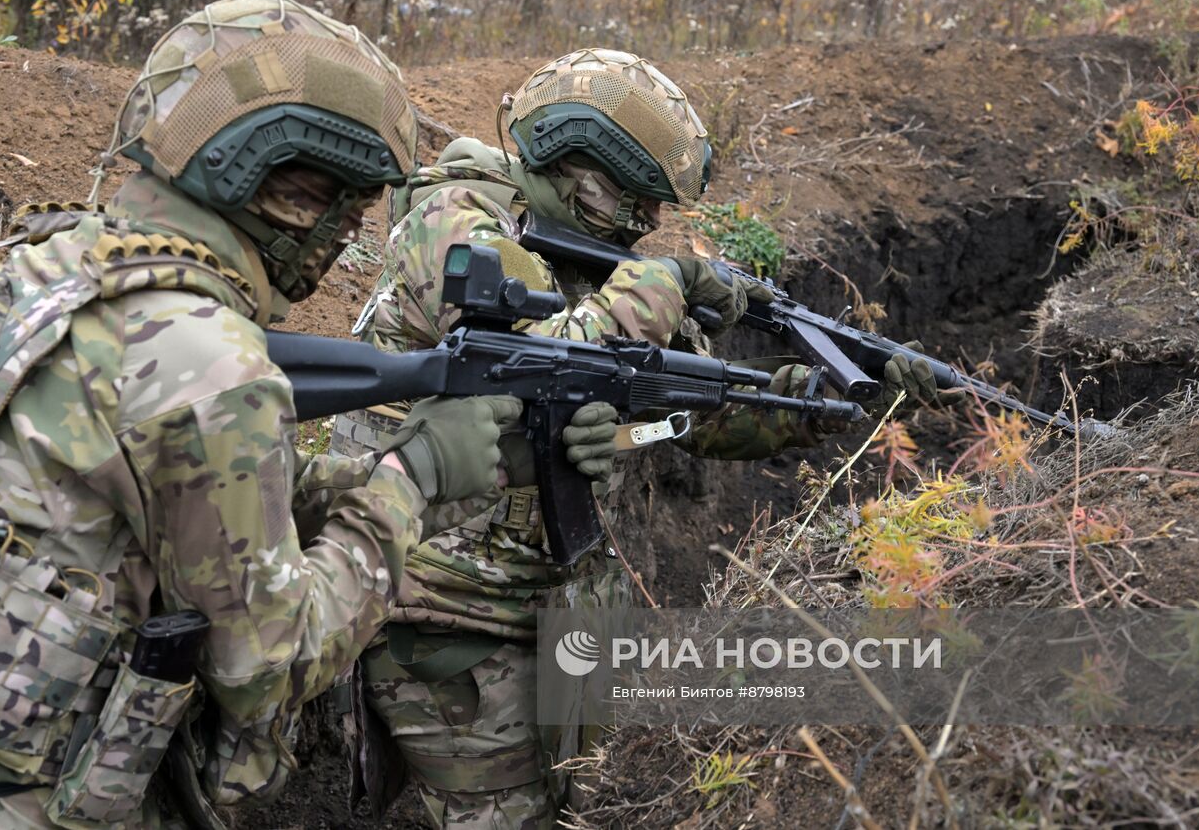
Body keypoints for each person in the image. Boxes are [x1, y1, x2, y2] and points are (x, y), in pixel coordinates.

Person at [0, 0, 588, 830]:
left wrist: (418, 471)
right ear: (278, 185)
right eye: (343, 206)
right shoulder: (206, 362)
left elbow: (172, 509)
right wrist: (408, 483)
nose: (347, 233)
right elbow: (270, 666)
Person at [332, 48, 946, 828]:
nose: (649, 223)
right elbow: (537, 356)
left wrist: (821, 401)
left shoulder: (591, 261)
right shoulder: (452, 223)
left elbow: (694, 404)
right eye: (637, 199)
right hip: (446, 619)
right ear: (575, 163)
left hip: (557, 617)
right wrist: (668, 283)